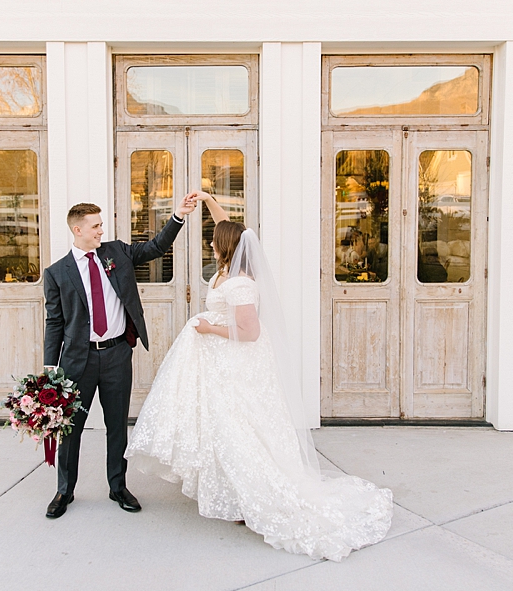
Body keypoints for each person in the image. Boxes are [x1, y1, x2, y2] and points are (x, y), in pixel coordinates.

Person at [126, 191, 393, 561]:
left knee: (240, 427)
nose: (210, 242)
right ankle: (233, 490)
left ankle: (252, 494)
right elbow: (227, 226)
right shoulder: (229, 265)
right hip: (221, 359)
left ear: (225, 247)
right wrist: (207, 198)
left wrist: (208, 328)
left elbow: (249, 332)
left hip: (237, 361)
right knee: (223, 426)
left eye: (214, 240)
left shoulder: (240, 284)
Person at [42, 196, 198, 519]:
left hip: (116, 355)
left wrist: (178, 216)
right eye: (95, 226)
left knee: (116, 425)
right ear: (78, 230)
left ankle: (118, 486)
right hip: (78, 361)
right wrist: (50, 367)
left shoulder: (117, 253)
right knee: (71, 429)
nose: (101, 231)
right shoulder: (57, 273)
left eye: (101, 225)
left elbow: (156, 247)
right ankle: (64, 490)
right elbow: (54, 321)